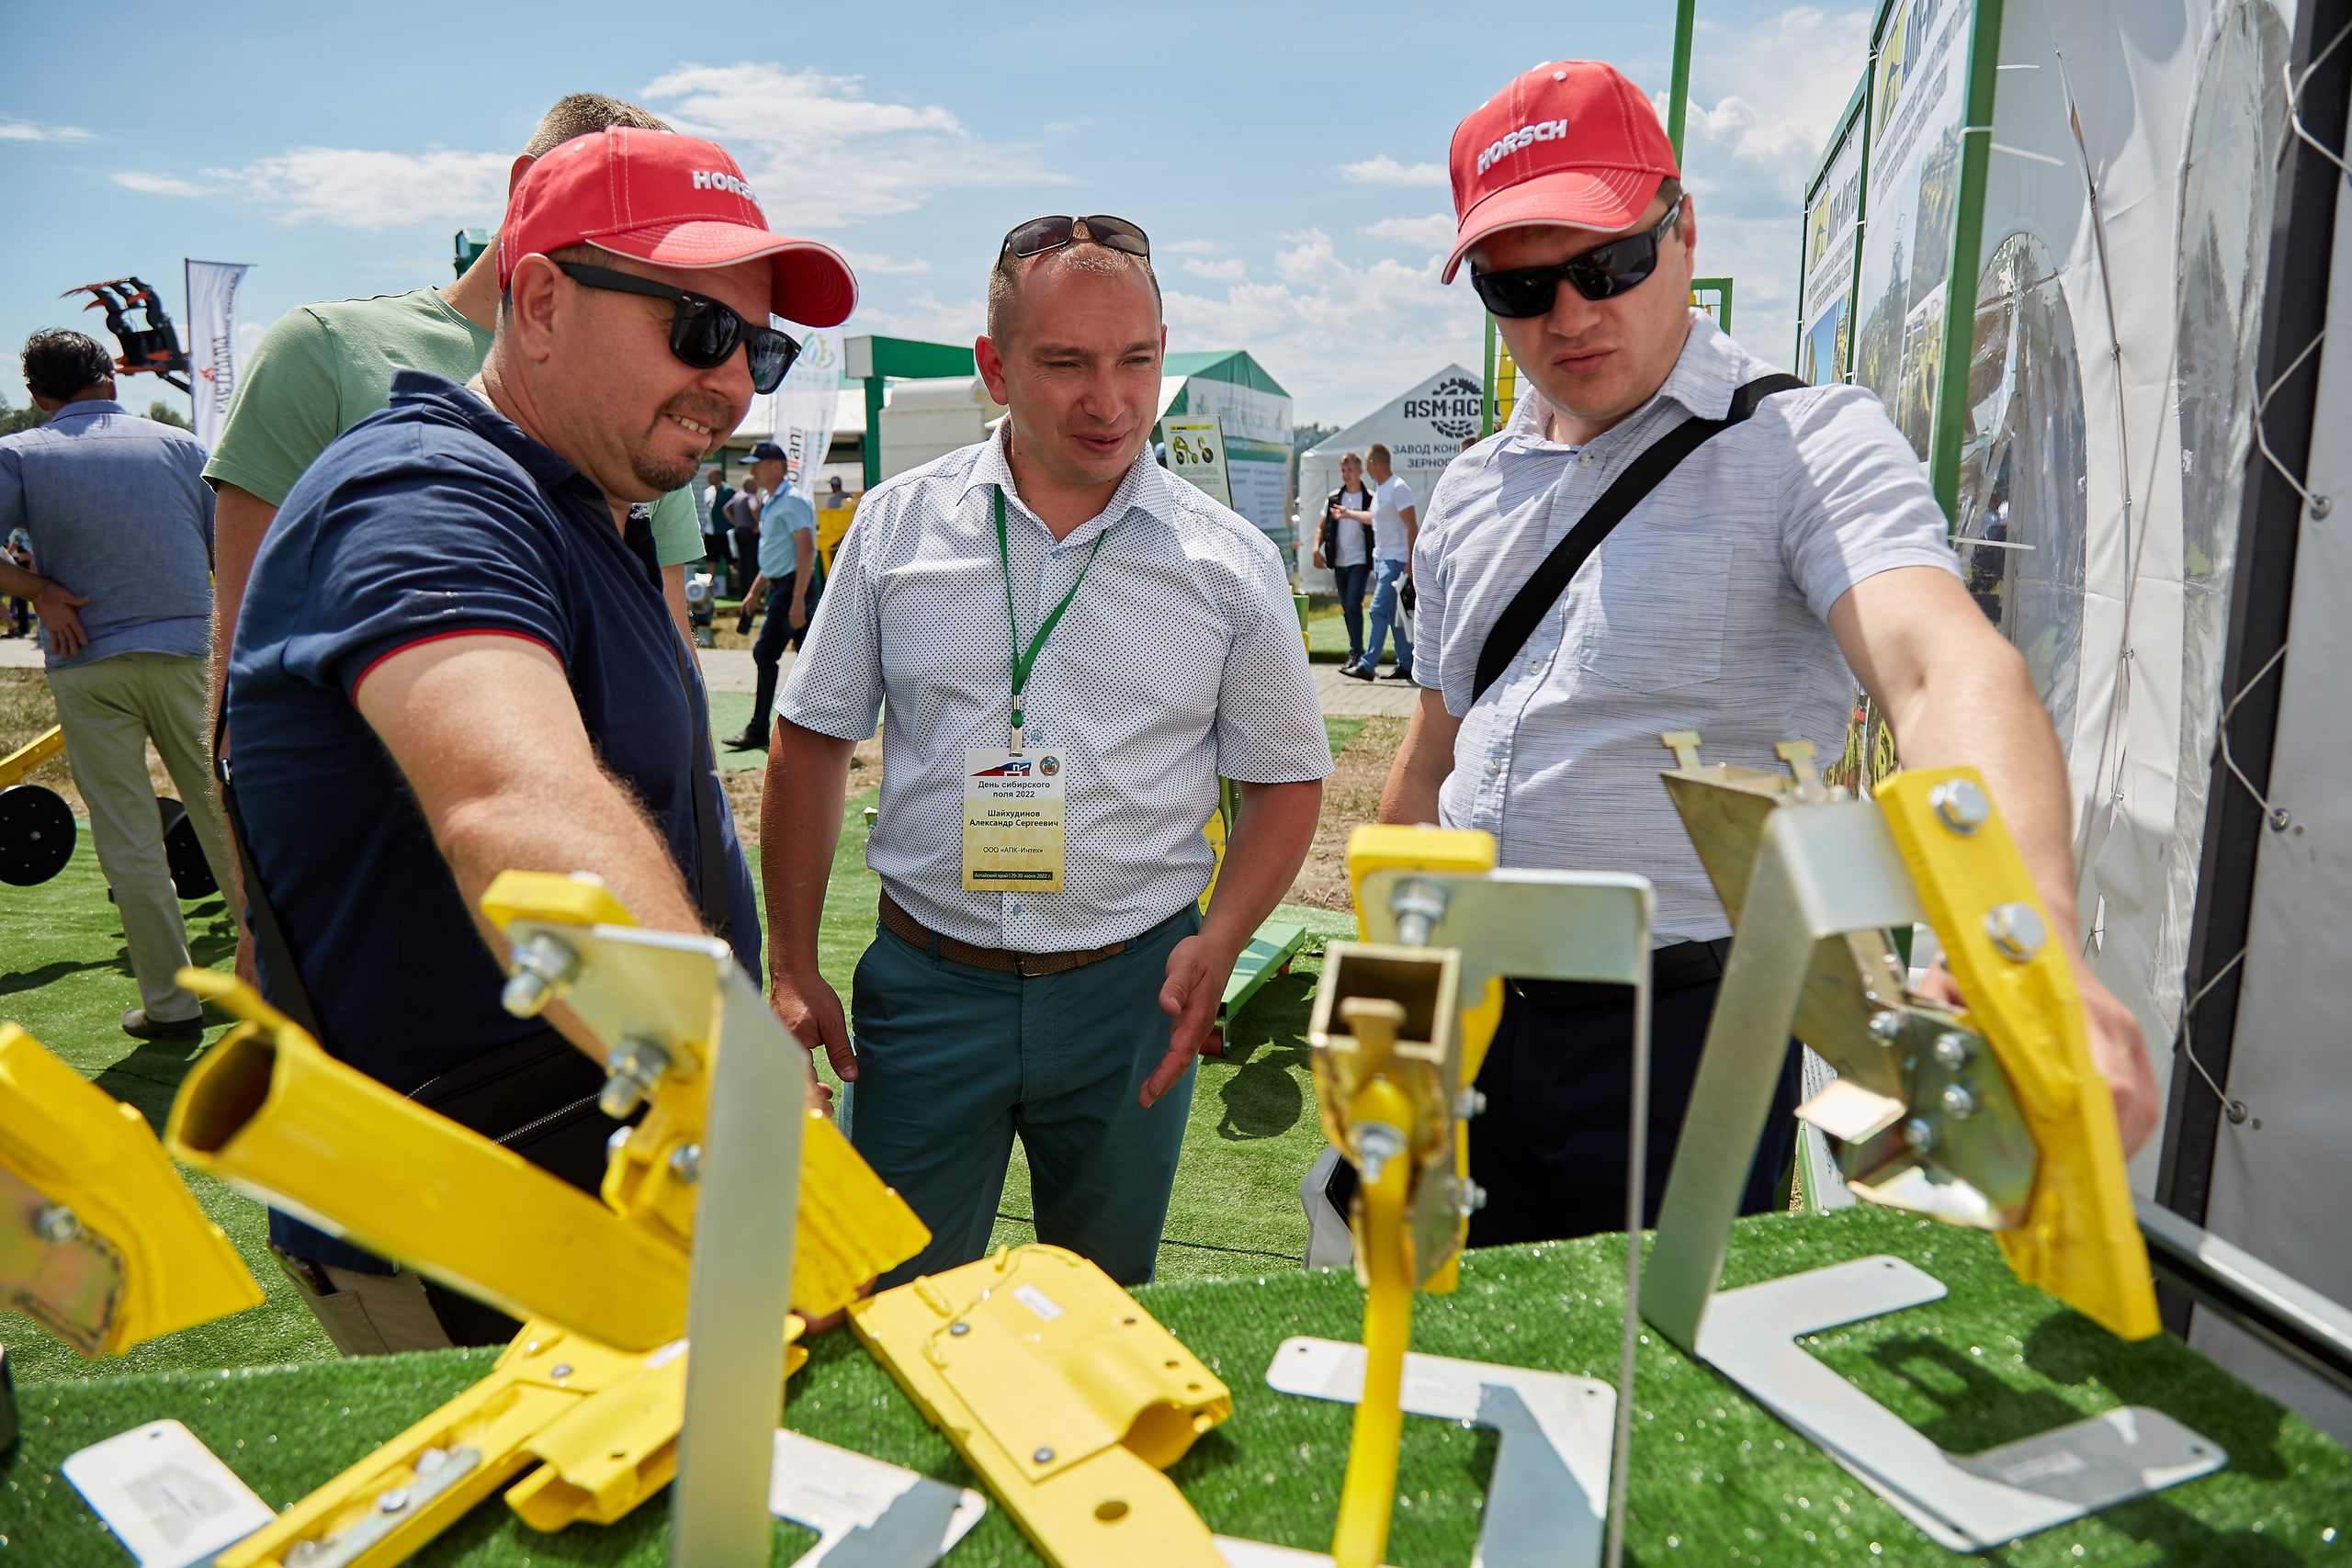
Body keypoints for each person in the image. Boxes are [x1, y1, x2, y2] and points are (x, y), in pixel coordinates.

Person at [1380, 59, 2158, 1247]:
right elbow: (1438, 745)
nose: (1573, 314)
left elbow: (1941, 667)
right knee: (1440, 1359)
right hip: (1466, 1011)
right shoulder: (1477, 482)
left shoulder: (1804, 441)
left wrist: (2027, 940)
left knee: (1651, 1391)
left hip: (1678, 1032)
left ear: (1681, 230)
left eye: (1611, 265)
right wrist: (1390, 981)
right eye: (1520, 287)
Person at [225, 126, 856, 1354]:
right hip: (479, 1237)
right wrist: (753, 1112)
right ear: (543, 299)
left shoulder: (584, 509)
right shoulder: (421, 496)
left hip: (598, 1186)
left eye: (761, 347)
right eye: (700, 328)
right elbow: (521, 813)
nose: (734, 382)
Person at [763, 213, 1329, 1289]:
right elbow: (810, 738)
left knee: (1104, 1312)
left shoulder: (1227, 563)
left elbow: (1285, 780)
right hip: (929, 987)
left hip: (1130, 994)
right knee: (887, 1306)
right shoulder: (895, 530)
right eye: (1064, 363)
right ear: (993, 367)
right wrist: (792, 965)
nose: (1108, 401)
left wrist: (1223, 942)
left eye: (1136, 360)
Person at [204, 92, 697, 740]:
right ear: (527, 186)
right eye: (617, 212)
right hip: (374, 815)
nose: (640, 254)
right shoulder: (323, 352)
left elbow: (670, 652)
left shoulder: (646, 391)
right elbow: (242, 649)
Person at [0, 330, 236, 1040]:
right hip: (192, 654)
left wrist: (39, 588)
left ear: (38, 397)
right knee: (228, 817)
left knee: (128, 838)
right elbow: (231, 550)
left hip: (88, 658)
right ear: (112, 378)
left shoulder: (17, 452)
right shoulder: (185, 446)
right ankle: (279, 981)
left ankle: (169, 1005)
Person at [723, 442, 820, 750]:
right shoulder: (772, 499)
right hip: (788, 585)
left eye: (757, 463)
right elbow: (778, 555)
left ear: (776, 467)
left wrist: (796, 599)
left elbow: (806, 549)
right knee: (809, 657)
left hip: (794, 587)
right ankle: (817, 729)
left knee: (765, 654)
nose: (751, 470)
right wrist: (754, 591)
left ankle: (757, 730)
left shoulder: (791, 501)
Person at [1338, 444, 1416, 681]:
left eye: (1366, 464)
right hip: (1382, 561)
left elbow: (1413, 525)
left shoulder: (1398, 488)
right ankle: (1407, 664)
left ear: (1372, 463)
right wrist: (1348, 514)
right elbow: (1374, 518)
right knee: (1394, 615)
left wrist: (1411, 561)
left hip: (1395, 561)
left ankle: (1367, 665)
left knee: (1377, 610)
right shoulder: (1381, 489)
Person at [1314, 452, 1374, 674]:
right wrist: (1315, 549)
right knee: (1346, 607)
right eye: (1343, 470)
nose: (1346, 474)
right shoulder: (1334, 498)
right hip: (1339, 560)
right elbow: (1321, 527)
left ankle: (1356, 650)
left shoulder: (1370, 498)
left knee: (1353, 603)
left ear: (1360, 471)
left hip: (1361, 559)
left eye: (1350, 470)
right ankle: (1355, 649)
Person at [724, 477, 763, 598]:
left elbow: (725, 509)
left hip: (739, 532)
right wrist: (759, 523)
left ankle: (743, 593)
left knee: (744, 564)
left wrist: (735, 522)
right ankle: (752, 594)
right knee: (752, 564)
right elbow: (754, 508)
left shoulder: (738, 495)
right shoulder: (750, 496)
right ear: (751, 485)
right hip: (750, 533)